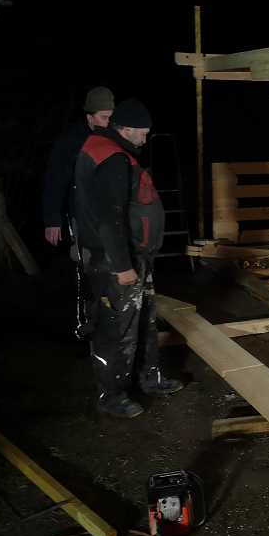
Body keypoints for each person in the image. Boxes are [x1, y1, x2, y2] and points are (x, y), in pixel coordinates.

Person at [73, 97, 182, 418]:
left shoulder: (112, 152)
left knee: (144, 318)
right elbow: (109, 218)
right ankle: (112, 396)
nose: (145, 140)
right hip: (115, 260)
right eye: (142, 133)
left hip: (134, 254)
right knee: (117, 328)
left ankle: (150, 378)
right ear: (126, 129)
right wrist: (122, 266)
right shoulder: (113, 160)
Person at [41, 86, 115, 246]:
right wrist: (52, 219)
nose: (108, 122)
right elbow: (55, 179)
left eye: (110, 117)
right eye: (104, 117)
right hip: (83, 215)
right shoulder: (70, 142)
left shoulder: (113, 137)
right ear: (89, 117)